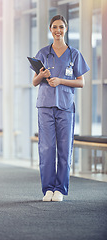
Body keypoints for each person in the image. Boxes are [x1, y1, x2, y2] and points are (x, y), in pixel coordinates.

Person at [32, 15, 90, 202]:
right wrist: (43, 75)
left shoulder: (74, 54)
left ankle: (60, 189)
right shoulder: (42, 53)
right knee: (46, 148)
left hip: (65, 107)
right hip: (45, 106)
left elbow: (81, 83)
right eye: (55, 27)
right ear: (50, 29)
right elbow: (34, 82)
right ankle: (48, 189)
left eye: (61, 27)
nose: (58, 30)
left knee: (64, 149)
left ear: (66, 29)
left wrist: (61, 81)